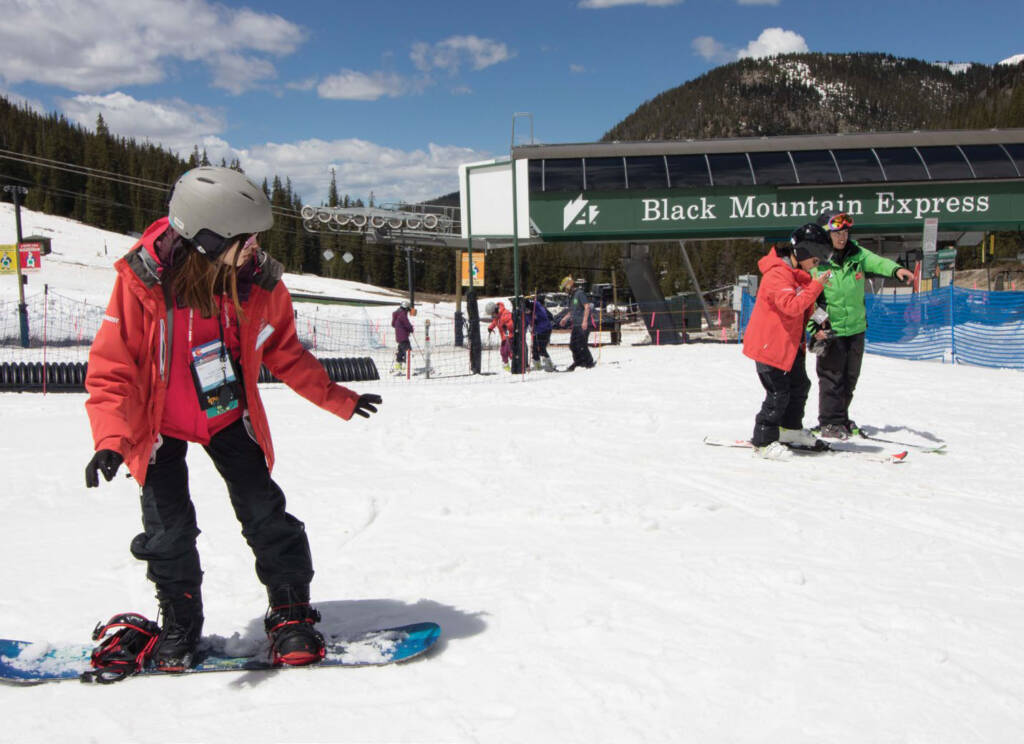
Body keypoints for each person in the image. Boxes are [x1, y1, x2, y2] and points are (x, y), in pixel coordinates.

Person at [83, 167, 382, 672]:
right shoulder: (141, 284)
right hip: (157, 426)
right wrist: (111, 439)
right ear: (205, 239)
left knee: (265, 512)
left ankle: (290, 614)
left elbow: (283, 350)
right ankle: (181, 625)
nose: (255, 247)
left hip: (225, 415)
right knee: (168, 530)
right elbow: (112, 367)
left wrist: (338, 398)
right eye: (245, 239)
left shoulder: (256, 284)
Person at [809, 210, 914, 439]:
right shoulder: (817, 262)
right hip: (829, 329)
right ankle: (828, 421)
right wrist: (815, 328)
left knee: (849, 378)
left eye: (845, 232)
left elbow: (877, 262)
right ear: (826, 235)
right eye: (837, 233)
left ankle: (841, 419)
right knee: (831, 378)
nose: (842, 237)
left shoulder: (856, 254)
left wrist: (897, 270)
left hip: (856, 329)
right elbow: (808, 300)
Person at [742, 231, 832, 459]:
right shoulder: (777, 275)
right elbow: (790, 306)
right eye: (816, 258)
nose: (816, 264)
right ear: (804, 251)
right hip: (770, 345)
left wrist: (819, 324)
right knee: (778, 394)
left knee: (799, 386)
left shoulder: (797, 275)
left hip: (791, 346)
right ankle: (763, 439)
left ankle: (789, 430)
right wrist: (816, 287)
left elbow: (805, 307)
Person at [558, 276, 595, 370]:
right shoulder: (572, 296)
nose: (565, 290)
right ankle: (578, 362)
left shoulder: (579, 293)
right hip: (576, 324)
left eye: (565, 288)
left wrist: (585, 321)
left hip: (582, 323)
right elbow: (572, 310)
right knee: (573, 345)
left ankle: (588, 362)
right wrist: (564, 319)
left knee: (582, 344)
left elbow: (587, 307)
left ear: (569, 285)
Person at [524, 293, 554, 371]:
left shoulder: (539, 309)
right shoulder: (527, 313)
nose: (526, 312)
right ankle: (537, 365)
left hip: (545, 330)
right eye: (525, 311)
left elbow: (544, 320)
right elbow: (526, 322)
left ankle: (549, 364)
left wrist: (536, 325)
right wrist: (524, 330)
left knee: (541, 348)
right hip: (535, 331)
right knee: (534, 348)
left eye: (527, 310)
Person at [484, 300, 514, 371]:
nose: (492, 316)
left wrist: (506, 326)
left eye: (492, 314)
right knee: (503, 351)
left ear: (495, 310)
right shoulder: (497, 316)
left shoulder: (505, 313)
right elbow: (495, 322)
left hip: (509, 335)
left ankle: (516, 364)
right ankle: (506, 364)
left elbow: (512, 323)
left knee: (509, 351)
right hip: (504, 336)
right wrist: (491, 327)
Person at [391, 300, 414, 373]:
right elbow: (406, 323)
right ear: (406, 308)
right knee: (408, 352)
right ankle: (408, 369)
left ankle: (398, 368)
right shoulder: (402, 314)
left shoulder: (397, 314)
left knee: (400, 353)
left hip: (399, 336)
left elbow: (393, 324)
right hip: (403, 336)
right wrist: (411, 328)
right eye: (408, 308)